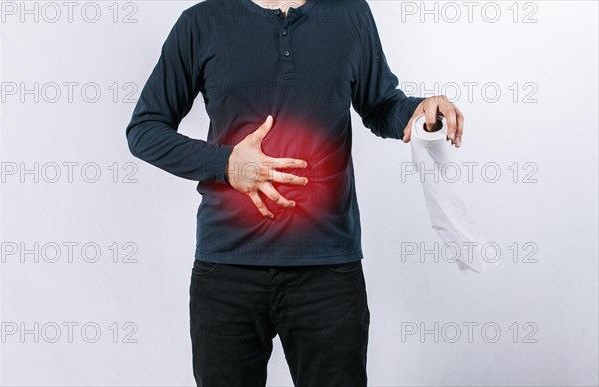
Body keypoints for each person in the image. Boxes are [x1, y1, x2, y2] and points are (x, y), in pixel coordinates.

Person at [125, 1, 464, 386]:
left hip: (328, 270)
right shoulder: (202, 21)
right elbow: (145, 129)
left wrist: (420, 111)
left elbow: (381, 105)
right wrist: (226, 164)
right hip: (227, 271)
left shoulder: (350, 14)